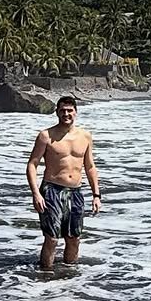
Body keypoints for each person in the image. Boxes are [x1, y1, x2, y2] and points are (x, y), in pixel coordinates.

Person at [26, 95, 101, 271]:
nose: (66, 114)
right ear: (57, 112)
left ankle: (69, 277)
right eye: (62, 111)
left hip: (75, 191)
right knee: (52, 238)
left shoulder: (85, 136)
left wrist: (96, 195)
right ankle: (45, 275)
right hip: (52, 190)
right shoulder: (46, 136)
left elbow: (90, 167)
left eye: (69, 111)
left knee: (74, 238)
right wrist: (36, 193)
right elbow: (32, 164)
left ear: (76, 112)